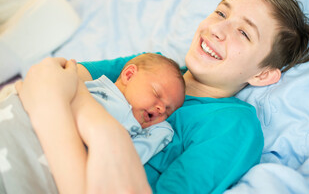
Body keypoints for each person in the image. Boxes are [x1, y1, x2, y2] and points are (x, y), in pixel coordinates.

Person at [16, 0, 309, 194]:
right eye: (221, 13)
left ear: (263, 75)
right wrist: (100, 129)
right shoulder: (154, 65)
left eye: (243, 32)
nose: (218, 29)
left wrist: (98, 128)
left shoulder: (232, 126)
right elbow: (46, 75)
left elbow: (53, 89)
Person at [0, 53, 185, 193]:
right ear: (129, 75)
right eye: (156, 93)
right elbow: (47, 86)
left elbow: (127, 161)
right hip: (19, 127)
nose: (161, 108)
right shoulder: (93, 87)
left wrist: (163, 129)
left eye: (168, 110)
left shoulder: (141, 131)